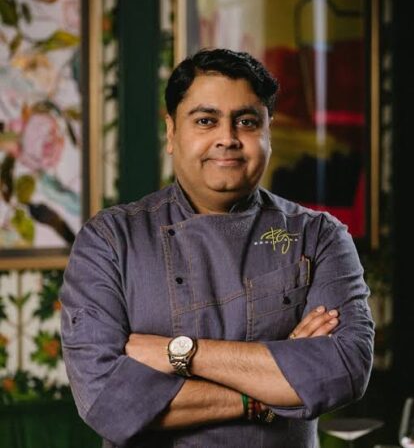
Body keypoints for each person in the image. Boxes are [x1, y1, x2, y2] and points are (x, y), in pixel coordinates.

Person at [60, 48, 374, 448]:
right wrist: (266, 393)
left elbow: (343, 369)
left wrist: (180, 353)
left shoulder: (319, 236)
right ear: (172, 132)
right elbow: (108, 403)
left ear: (268, 131)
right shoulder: (109, 240)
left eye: (246, 122)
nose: (227, 138)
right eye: (206, 121)